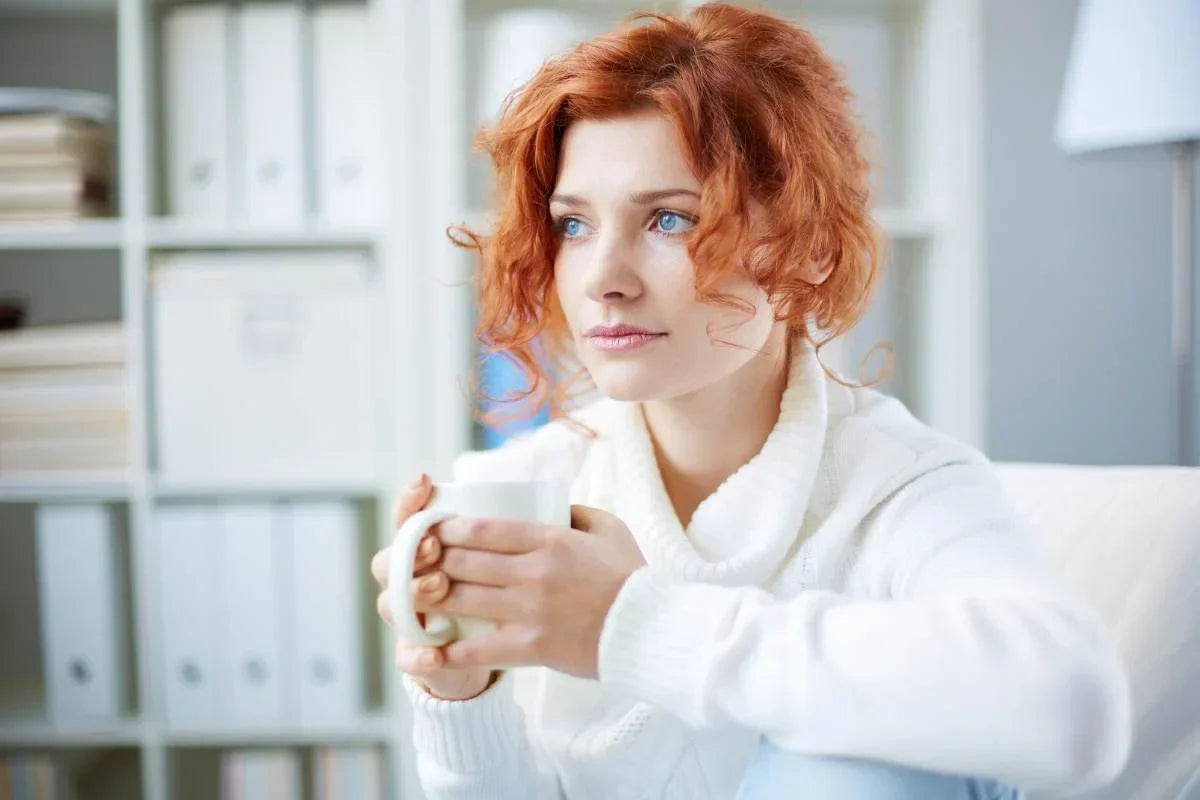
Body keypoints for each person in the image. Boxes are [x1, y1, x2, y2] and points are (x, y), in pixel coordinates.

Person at [369, 3, 1131, 798]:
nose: (603, 279)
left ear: (801, 245)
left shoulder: (893, 485)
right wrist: (460, 694)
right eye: (573, 225)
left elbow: (1076, 709)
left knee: (856, 758)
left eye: (668, 219)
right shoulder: (537, 482)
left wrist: (628, 625)